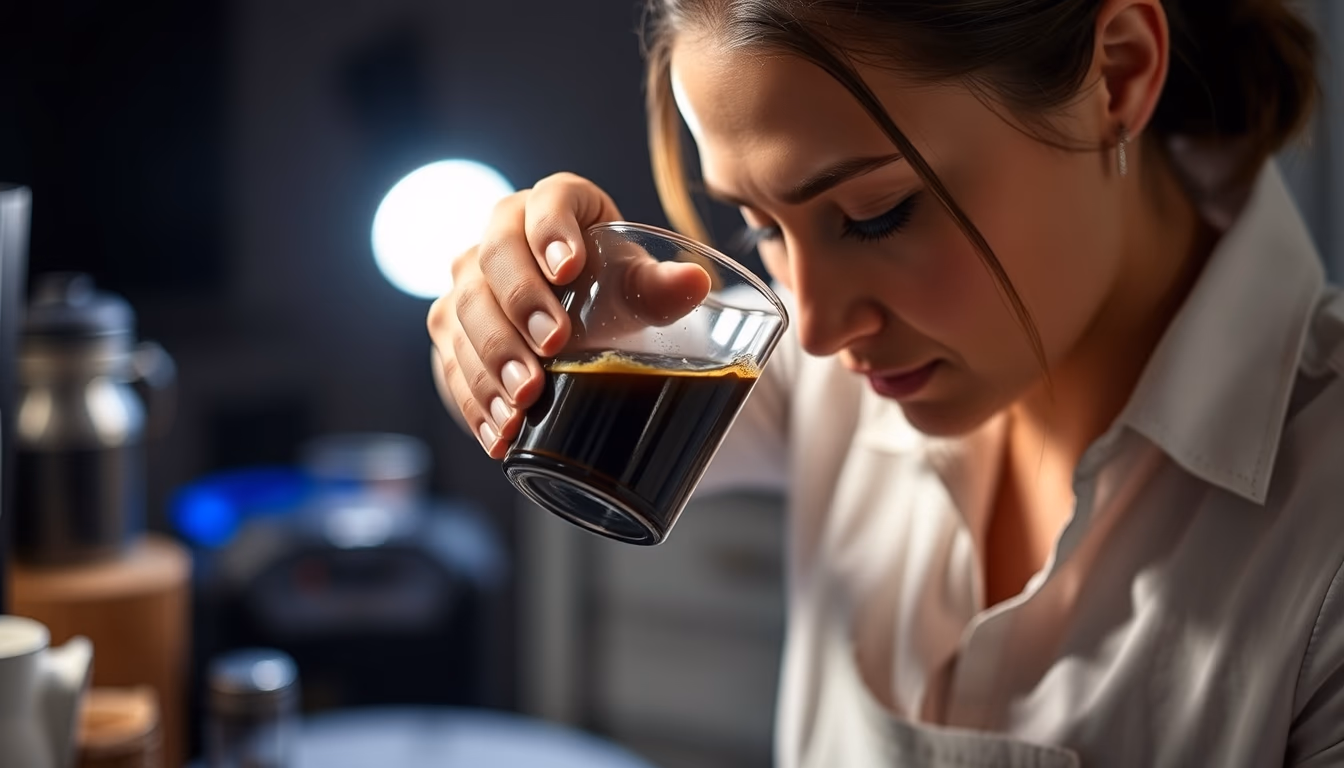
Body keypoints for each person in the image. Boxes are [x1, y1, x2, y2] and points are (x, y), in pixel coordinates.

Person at [428, 0, 1344, 764]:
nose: (818, 333)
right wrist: (504, 324)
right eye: (762, 227)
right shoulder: (839, 359)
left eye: (877, 215)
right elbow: (565, 396)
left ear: (1117, 74)